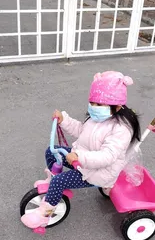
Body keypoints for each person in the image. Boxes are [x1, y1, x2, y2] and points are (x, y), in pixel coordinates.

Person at [21, 71, 141, 229]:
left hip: (99, 172)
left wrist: (79, 156)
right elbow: (81, 130)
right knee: (52, 152)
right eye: (92, 103)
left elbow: (108, 157)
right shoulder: (96, 118)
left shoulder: (121, 129)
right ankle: (52, 183)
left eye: (99, 105)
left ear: (117, 107)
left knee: (60, 181)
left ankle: (44, 215)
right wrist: (65, 120)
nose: (94, 107)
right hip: (82, 161)